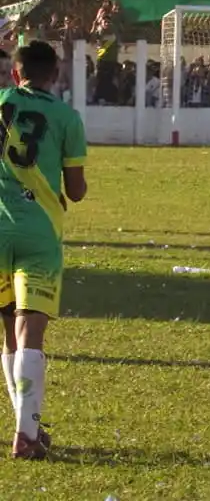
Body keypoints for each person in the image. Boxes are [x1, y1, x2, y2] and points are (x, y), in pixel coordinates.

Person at [0, 41, 88, 459]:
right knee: (29, 332)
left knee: (7, 334)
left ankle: (25, 424)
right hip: (39, 234)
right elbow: (76, 189)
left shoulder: (1, 102)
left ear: (15, 75)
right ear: (55, 75)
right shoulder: (67, 117)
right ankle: (27, 436)